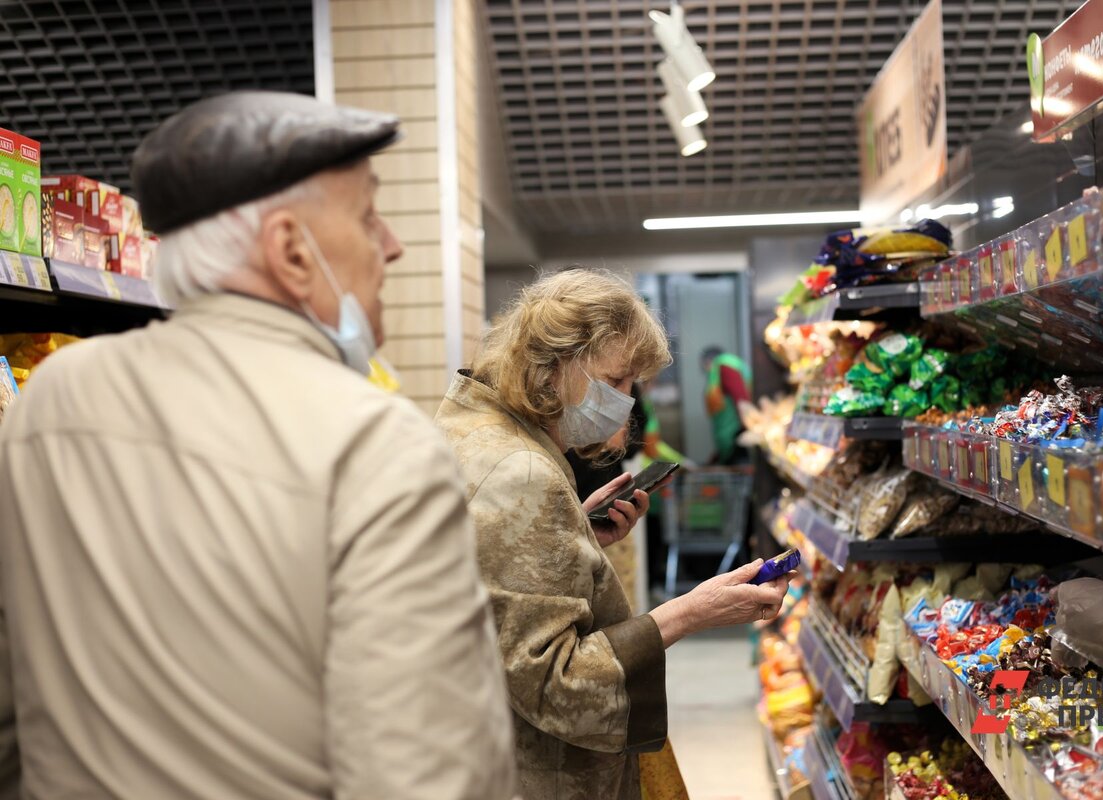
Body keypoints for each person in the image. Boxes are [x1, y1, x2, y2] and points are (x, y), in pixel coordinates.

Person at [0, 92, 515, 799]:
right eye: (367, 215)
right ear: (290, 250)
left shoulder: (49, 400)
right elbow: (427, 772)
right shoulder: (373, 440)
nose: (391, 243)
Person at [435, 269, 791, 800]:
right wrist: (691, 611)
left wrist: (568, 532)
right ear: (554, 367)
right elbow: (556, 683)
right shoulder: (522, 471)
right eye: (618, 380)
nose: (626, 401)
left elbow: (490, 585)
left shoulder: (469, 426)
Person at [700, 345, 753, 465]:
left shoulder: (724, 367)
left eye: (704, 366)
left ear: (708, 361)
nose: (706, 371)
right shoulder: (723, 369)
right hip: (731, 434)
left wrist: (746, 428)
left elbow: (741, 400)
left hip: (736, 435)